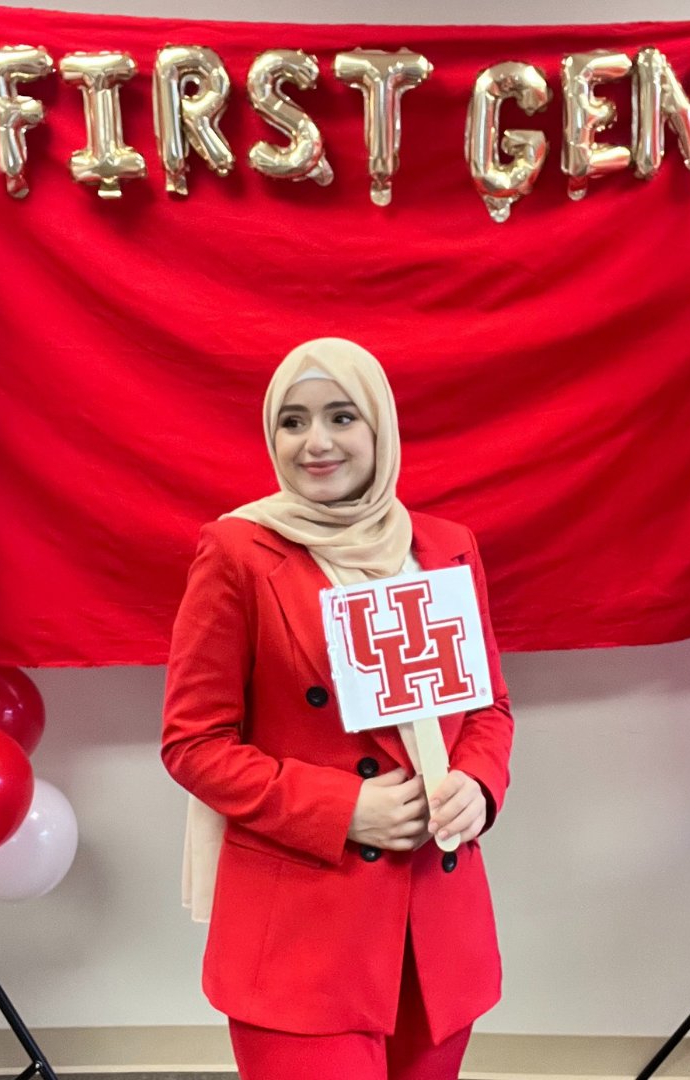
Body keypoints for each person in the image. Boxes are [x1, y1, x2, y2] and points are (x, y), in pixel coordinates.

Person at [161, 337, 514, 1080]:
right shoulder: (238, 551)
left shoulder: (445, 548)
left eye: (341, 416)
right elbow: (193, 744)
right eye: (292, 422)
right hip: (302, 936)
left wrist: (477, 788)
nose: (315, 442)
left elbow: (488, 710)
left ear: (379, 427)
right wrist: (342, 808)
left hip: (437, 924)